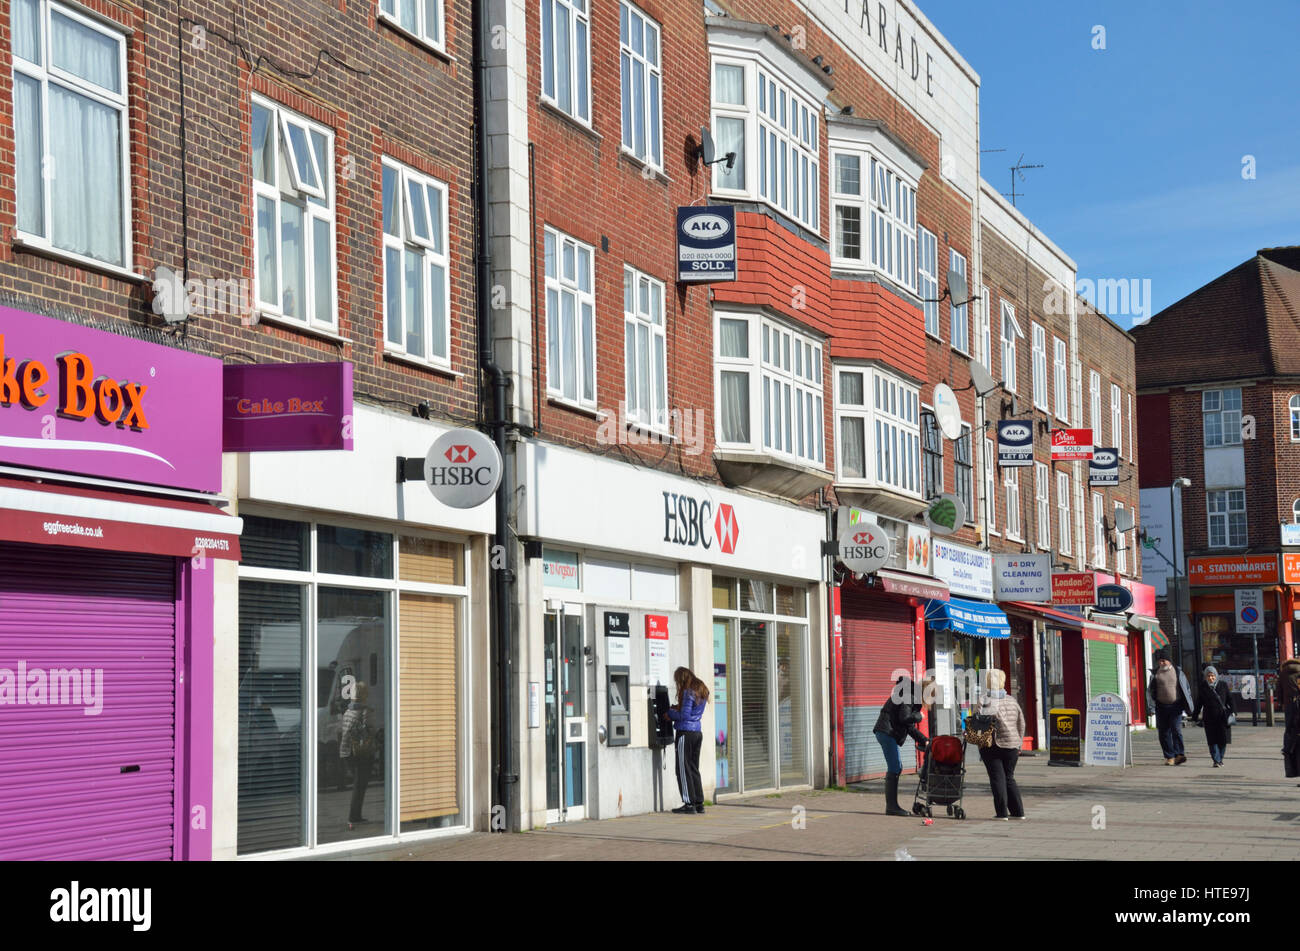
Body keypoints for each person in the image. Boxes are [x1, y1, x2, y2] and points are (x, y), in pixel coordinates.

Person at [873, 675, 930, 817]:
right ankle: (892, 807)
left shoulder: (910, 695)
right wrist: (918, 717)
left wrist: (925, 740)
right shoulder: (909, 696)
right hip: (886, 732)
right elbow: (904, 718)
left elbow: (909, 727)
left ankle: (892, 806)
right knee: (895, 767)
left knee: (896, 767)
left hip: (885, 731)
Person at [977, 669, 1026, 820]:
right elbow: (1021, 723)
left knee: (997, 778)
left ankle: (1002, 813)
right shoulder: (1012, 700)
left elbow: (978, 722)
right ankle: (1018, 812)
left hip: (992, 746)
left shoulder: (985, 699)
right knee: (1009, 777)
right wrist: (1019, 743)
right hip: (1012, 745)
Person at [664, 666, 710, 814]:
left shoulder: (688, 691)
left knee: (682, 769)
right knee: (693, 768)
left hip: (686, 733)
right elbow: (690, 711)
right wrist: (678, 707)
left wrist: (670, 714)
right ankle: (699, 803)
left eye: (677, 680)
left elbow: (684, 716)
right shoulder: (701, 689)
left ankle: (689, 804)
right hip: (697, 732)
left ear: (682, 678)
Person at [339, 680, 376, 830]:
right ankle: (354, 816)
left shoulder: (348, 711)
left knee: (357, 784)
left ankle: (355, 815)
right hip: (361, 752)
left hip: (346, 751)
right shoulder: (366, 711)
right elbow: (370, 731)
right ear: (364, 695)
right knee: (360, 785)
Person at [1146, 651, 1195, 765]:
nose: (1161, 663)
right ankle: (1169, 757)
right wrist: (1151, 707)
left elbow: (1186, 688)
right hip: (1161, 706)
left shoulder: (1178, 672)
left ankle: (1179, 754)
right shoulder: (1155, 674)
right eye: (1160, 661)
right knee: (1163, 733)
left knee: (1176, 730)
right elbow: (1150, 691)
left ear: (1169, 660)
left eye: (1163, 660)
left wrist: (1188, 706)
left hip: (1176, 706)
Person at [1191, 665, 1233, 767]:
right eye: (1208, 676)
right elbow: (1198, 703)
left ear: (1216, 675)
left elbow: (1230, 699)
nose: (1211, 678)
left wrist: (1233, 711)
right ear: (1205, 677)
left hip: (1223, 718)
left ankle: (1220, 758)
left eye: (1213, 675)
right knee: (1212, 740)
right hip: (1209, 718)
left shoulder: (1223, 685)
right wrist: (1194, 717)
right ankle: (1216, 760)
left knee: (1223, 740)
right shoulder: (1203, 687)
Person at [1281, 658, 1300, 784]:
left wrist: (1283, 703)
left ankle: (1288, 748)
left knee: (1290, 732)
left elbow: (1279, 691)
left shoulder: (1283, 673)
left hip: (1289, 706)